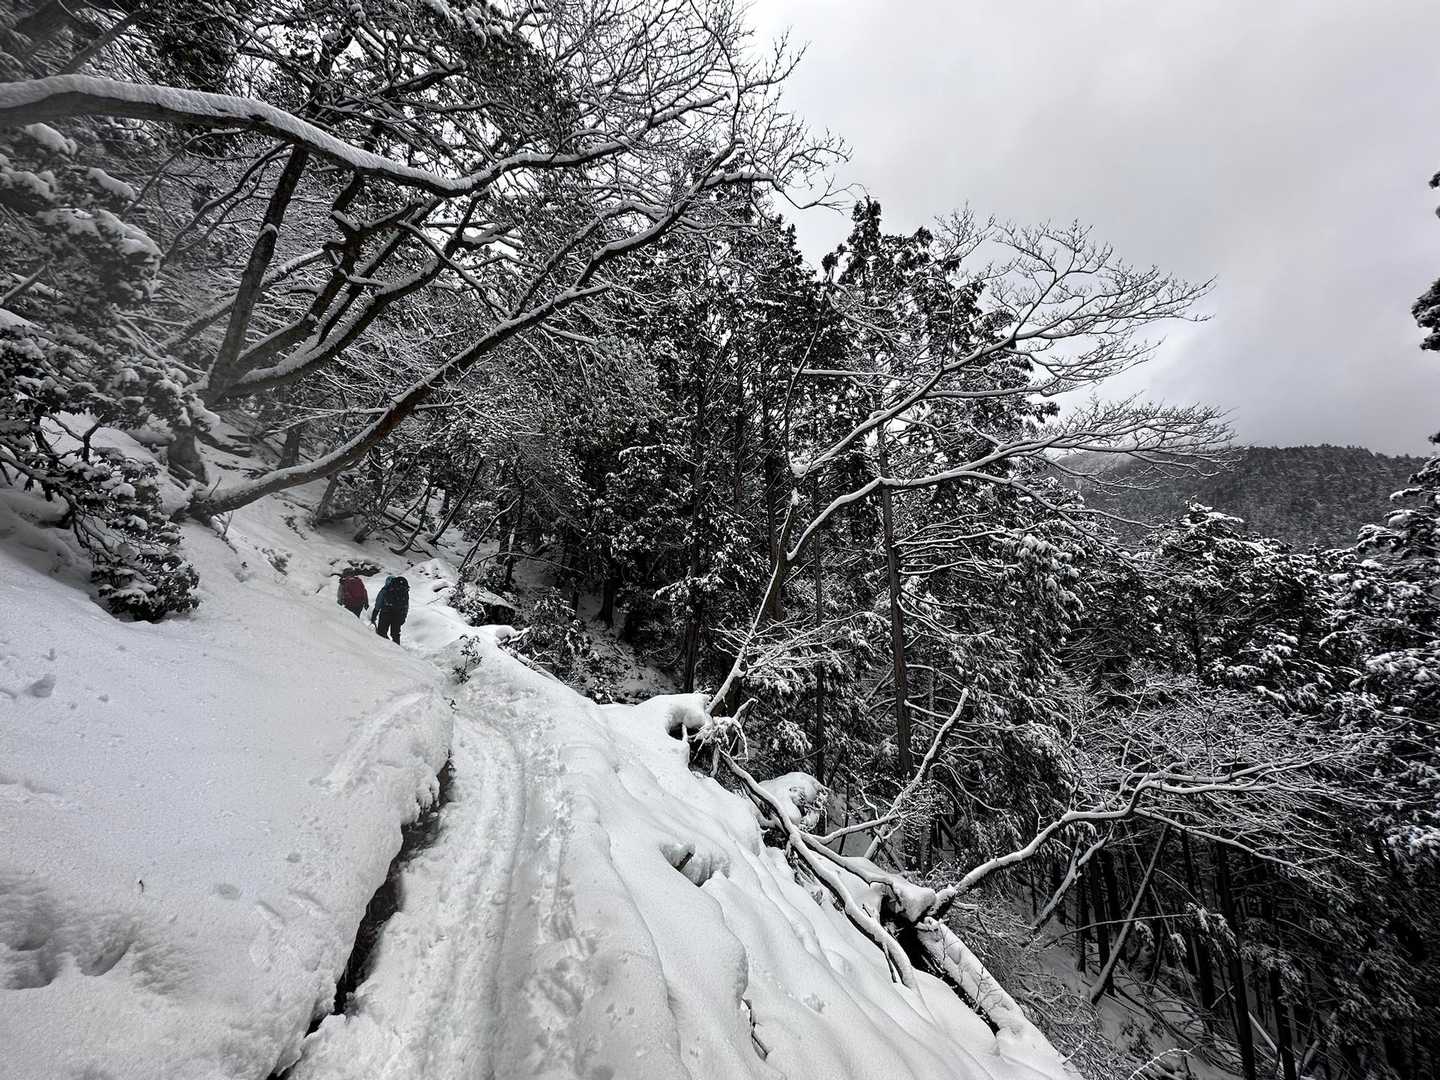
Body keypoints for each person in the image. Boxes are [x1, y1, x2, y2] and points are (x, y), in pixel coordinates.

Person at [370, 574, 410, 644]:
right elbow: (406, 605)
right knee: (395, 634)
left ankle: (382, 647)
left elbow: (378, 603)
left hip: (385, 613)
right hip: (398, 614)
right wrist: (404, 616)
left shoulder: (385, 590)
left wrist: (374, 614)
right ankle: (397, 648)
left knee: (381, 632)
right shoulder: (403, 590)